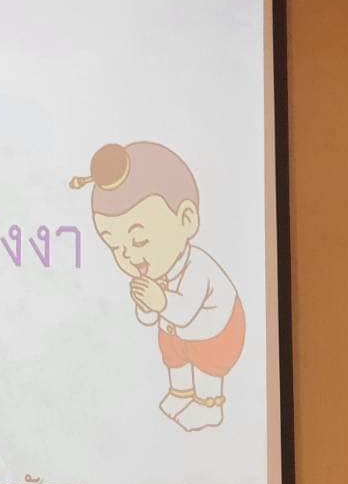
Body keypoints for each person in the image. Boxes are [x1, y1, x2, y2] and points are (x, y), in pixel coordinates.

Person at [72, 140, 245, 431]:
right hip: (176, 332)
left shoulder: (198, 268)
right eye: (115, 247)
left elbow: (186, 312)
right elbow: (149, 318)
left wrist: (160, 302)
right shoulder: (154, 274)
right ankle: (181, 393)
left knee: (206, 366)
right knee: (171, 353)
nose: (128, 255)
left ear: (186, 220)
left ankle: (208, 405)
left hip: (216, 332)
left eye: (139, 240)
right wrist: (147, 305)